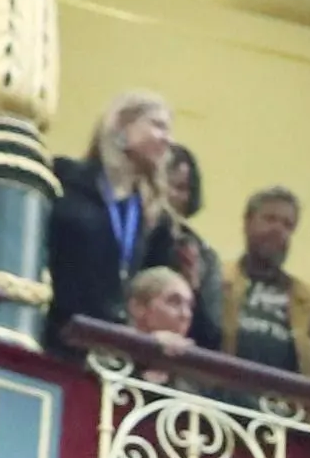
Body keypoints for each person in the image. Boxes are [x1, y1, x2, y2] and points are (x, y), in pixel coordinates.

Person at [49, 97, 198, 332]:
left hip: (112, 341)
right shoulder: (65, 179)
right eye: (158, 125)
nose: (167, 139)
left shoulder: (155, 218)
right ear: (121, 126)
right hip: (55, 328)